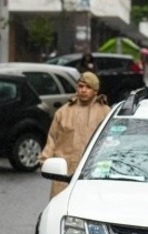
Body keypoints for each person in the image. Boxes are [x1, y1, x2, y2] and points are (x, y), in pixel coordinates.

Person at [38, 71, 111, 199]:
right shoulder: (63, 112)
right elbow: (52, 140)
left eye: (88, 87)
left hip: (92, 176)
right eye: (81, 86)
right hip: (64, 175)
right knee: (59, 212)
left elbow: (112, 144)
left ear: (95, 91)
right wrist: (45, 162)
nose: (83, 90)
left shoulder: (105, 112)